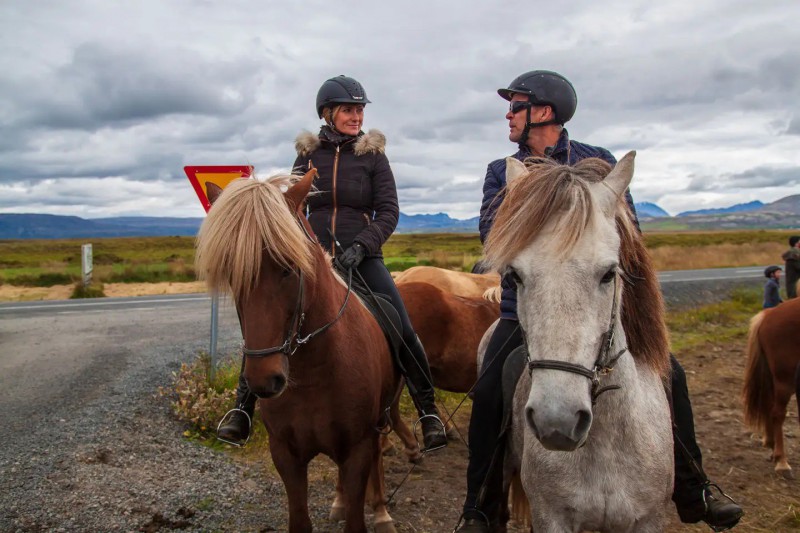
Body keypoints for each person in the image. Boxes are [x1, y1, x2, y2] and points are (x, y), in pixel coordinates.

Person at [456, 70, 743, 532]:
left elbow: (628, 238)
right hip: (526, 305)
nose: (508, 115)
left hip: (598, 303)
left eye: (516, 105)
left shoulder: (599, 161)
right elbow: (494, 236)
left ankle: (695, 487)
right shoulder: (501, 172)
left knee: (674, 374)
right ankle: (481, 507)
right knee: (492, 386)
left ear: (543, 111)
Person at [217, 75, 447, 452]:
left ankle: (427, 411)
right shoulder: (308, 156)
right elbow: (290, 206)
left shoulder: (373, 157)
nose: (356, 116)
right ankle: (242, 410)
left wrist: (363, 244)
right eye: (348, 110)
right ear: (328, 114)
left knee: (400, 324)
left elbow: (389, 211)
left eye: (359, 110)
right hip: (314, 259)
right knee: (268, 320)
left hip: (362, 257)